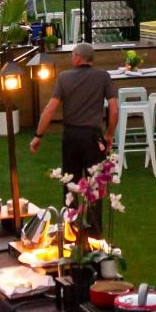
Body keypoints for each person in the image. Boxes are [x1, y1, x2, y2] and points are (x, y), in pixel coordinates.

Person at [29, 43, 118, 235]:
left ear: (78, 58)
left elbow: (50, 108)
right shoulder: (103, 77)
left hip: (70, 136)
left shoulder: (64, 78)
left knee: (71, 183)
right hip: (93, 136)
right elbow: (114, 108)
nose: (71, 59)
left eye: (72, 56)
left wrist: (38, 136)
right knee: (94, 184)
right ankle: (94, 232)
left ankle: (71, 229)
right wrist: (109, 134)